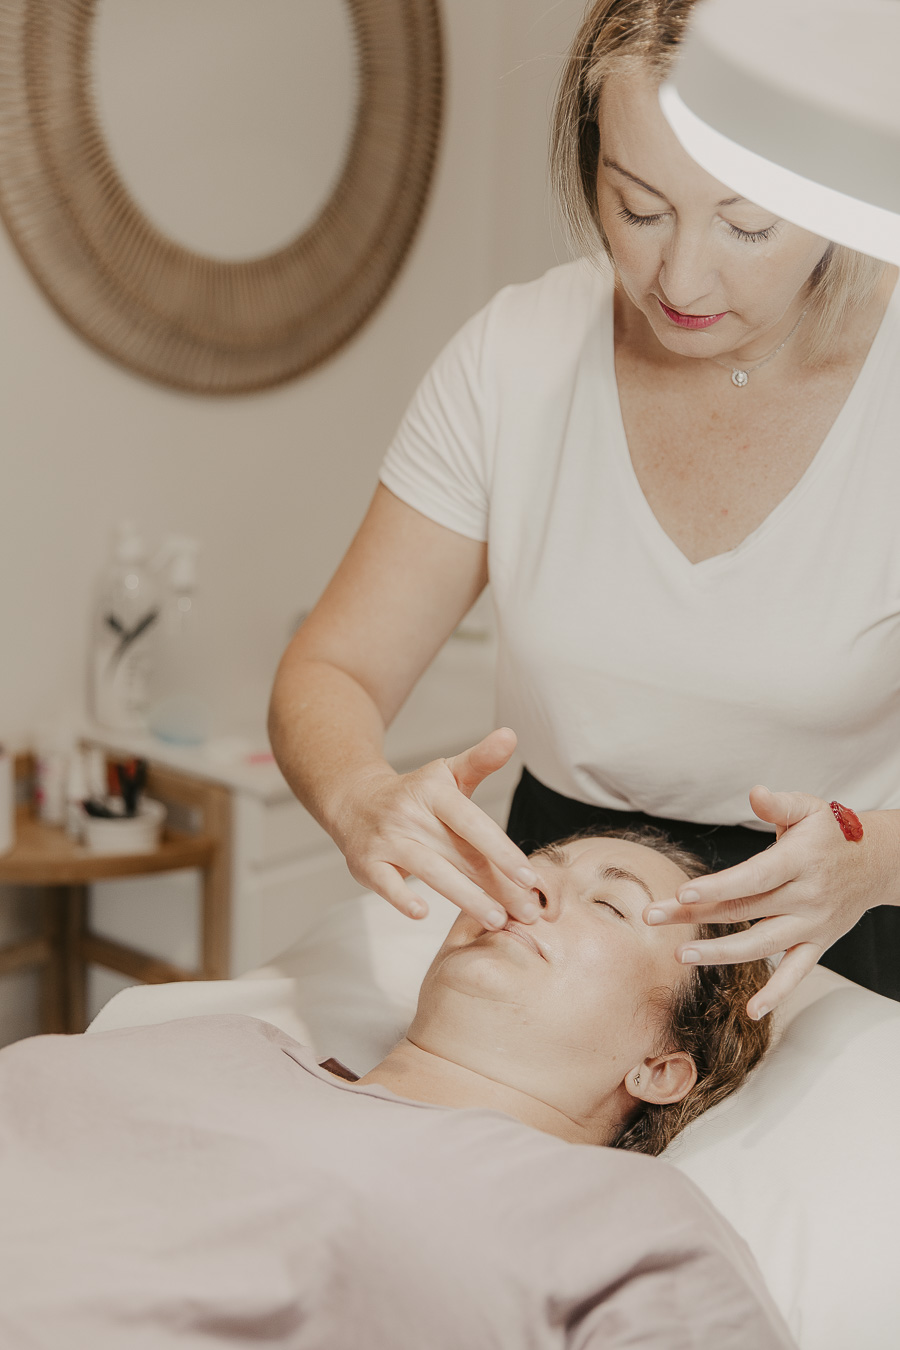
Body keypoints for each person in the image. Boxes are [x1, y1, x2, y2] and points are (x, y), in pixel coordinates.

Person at [269, 0, 900, 1015]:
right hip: (547, 917)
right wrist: (359, 796)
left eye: (747, 223)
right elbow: (334, 667)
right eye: (639, 208)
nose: (681, 277)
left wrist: (880, 865)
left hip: (835, 930)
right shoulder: (516, 357)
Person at [0, 829, 794, 1348]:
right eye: (528, 873)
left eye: (610, 904)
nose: (528, 893)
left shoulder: (621, 1212)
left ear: (660, 1068)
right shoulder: (222, 1044)